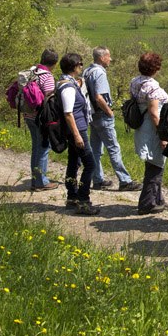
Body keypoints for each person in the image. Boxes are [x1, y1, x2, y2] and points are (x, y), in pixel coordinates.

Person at [83, 46, 141, 191]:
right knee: (113, 148)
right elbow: (98, 97)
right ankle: (125, 181)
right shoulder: (100, 74)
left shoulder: (87, 71)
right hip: (102, 115)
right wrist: (109, 111)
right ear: (102, 58)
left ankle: (97, 180)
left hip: (92, 115)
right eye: (109, 56)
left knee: (95, 149)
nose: (110, 59)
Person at [58, 53, 101, 216]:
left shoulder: (65, 82)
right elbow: (68, 113)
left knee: (74, 161)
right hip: (77, 130)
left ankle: (72, 196)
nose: (82, 67)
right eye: (80, 64)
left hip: (75, 129)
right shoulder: (68, 87)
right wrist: (77, 135)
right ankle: (83, 201)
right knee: (90, 164)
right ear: (74, 66)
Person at [129, 52, 168, 215]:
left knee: (153, 163)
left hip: (141, 127)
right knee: (156, 166)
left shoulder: (135, 82)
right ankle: (146, 203)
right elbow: (154, 112)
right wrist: (163, 134)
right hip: (152, 129)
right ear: (156, 68)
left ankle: (157, 199)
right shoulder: (152, 86)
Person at [26, 50, 61, 191]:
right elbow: (49, 99)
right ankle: (41, 181)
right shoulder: (47, 76)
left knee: (36, 147)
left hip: (28, 115)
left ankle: (35, 180)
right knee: (43, 148)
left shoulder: (32, 71)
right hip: (40, 118)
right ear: (54, 63)